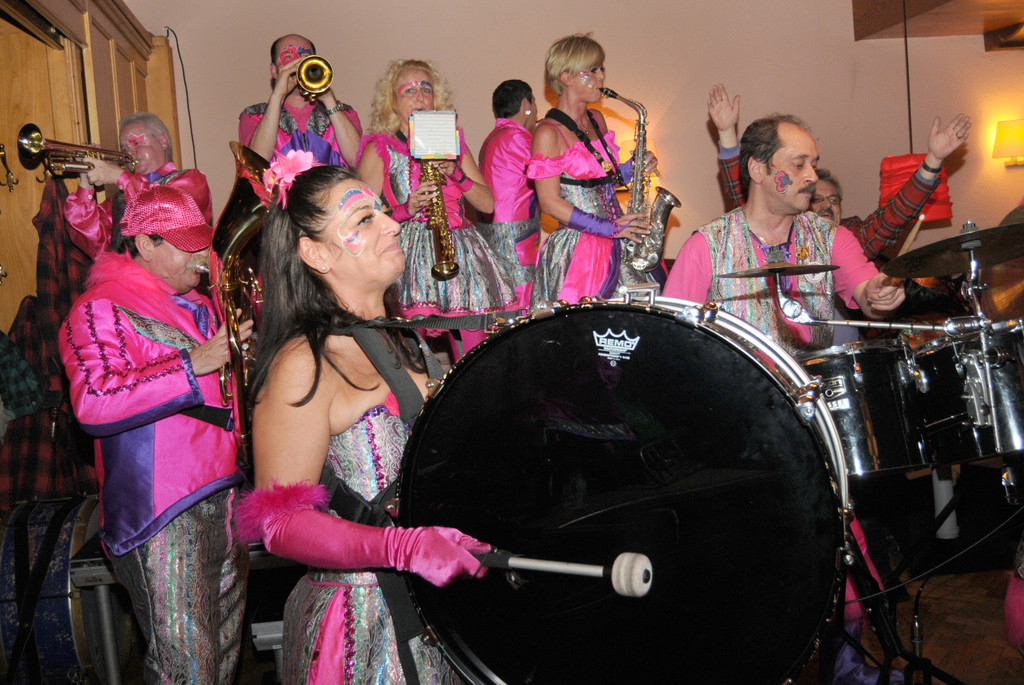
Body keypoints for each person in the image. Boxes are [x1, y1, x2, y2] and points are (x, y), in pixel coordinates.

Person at [232, 161, 488, 683]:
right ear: (317, 254)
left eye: (383, 211)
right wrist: (399, 547)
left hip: (436, 614)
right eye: (365, 218)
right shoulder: (303, 363)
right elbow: (279, 525)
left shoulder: (403, 337)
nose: (393, 224)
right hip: (360, 633)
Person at [59, 185, 250, 683]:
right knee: (185, 668)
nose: (201, 256)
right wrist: (193, 363)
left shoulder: (200, 302)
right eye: (186, 245)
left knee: (223, 658)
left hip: (225, 494)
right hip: (162, 509)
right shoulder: (99, 307)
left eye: (201, 241)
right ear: (145, 244)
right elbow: (94, 400)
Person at [665, 114, 905, 354]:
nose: (813, 176)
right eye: (799, 165)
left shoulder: (830, 237)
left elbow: (868, 298)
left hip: (812, 377)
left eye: (814, 165)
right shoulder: (707, 245)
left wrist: (880, 296)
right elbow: (671, 337)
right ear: (757, 170)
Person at [357, 59, 517, 352]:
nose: (419, 96)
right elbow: (361, 217)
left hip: (462, 253)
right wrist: (406, 208)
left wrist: (457, 173)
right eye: (408, 90)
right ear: (392, 101)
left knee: (473, 351)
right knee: (411, 354)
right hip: (405, 256)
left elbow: (487, 204)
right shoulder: (380, 149)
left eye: (426, 89)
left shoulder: (454, 143)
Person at [707, 84, 971, 260]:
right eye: (818, 198)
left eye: (833, 200)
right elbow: (747, 193)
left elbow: (894, 216)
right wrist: (727, 134)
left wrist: (933, 160)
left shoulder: (843, 239)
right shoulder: (780, 230)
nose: (826, 205)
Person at [527, 33, 657, 307]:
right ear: (566, 77)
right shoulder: (548, 133)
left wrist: (634, 167)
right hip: (579, 250)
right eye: (592, 71)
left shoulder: (597, 119)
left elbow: (605, 179)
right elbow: (549, 203)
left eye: (602, 68)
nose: (601, 77)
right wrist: (608, 228)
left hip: (619, 235)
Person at [64, 111, 213, 258]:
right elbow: (93, 242)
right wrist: (86, 183)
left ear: (163, 141)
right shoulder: (120, 199)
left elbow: (163, 212)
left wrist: (119, 177)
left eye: (136, 143)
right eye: (124, 149)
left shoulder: (192, 180)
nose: (129, 153)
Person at [239, 34, 361, 167]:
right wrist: (277, 96)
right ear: (274, 70)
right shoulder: (253, 115)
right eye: (288, 57)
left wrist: (329, 100)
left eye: (305, 56)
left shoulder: (345, 113)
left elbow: (358, 163)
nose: (298, 63)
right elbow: (255, 164)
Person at [478, 79, 540, 309]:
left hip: (492, 233)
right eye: (535, 103)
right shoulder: (519, 138)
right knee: (522, 306)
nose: (536, 111)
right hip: (515, 239)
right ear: (526, 105)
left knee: (501, 300)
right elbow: (553, 176)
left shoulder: (492, 139)